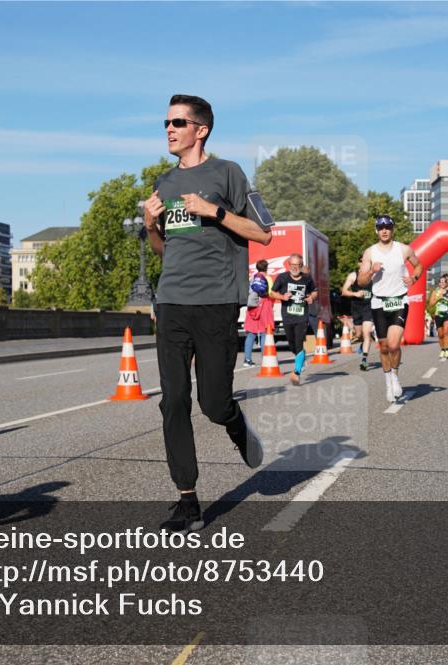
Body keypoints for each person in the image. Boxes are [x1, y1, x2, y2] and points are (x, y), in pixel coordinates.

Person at [142, 94, 273, 533]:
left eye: (178, 122)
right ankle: (187, 500)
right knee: (172, 400)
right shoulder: (162, 182)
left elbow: (264, 234)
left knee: (213, 403)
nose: (169, 129)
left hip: (216, 303)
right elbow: (165, 250)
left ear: (201, 129)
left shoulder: (228, 173)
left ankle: (236, 425)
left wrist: (214, 211)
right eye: (166, 122)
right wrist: (150, 225)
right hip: (173, 301)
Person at [357, 215, 423, 402]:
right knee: (384, 347)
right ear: (376, 230)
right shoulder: (370, 253)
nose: (384, 230)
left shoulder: (404, 249)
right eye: (380, 227)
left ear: (392, 229)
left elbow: (418, 266)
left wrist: (413, 279)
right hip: (379, 302)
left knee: (394, 345)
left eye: (387, 227)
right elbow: (361, 281)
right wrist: (371, 271)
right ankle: (388, 382)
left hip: (399, 300)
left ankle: (394, 376)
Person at [272, 253, 317, 386]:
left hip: (302, 315)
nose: (295, 267)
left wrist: (312, 298)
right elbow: (272, 292)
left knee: (299, 343)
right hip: (287, 316)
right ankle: (300, 358)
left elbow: (315, 291)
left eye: (298, 265)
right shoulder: (282, 278)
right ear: (289, 265)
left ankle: (296, 372)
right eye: (293, 265)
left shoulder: (307, 279)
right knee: (292, 344)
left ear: (301, 266)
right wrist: (282, 297)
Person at [341, 262, 375, 371]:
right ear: (359, 263)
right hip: (356, 308)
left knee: (367, 333)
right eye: (362, 262)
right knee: (359, 334)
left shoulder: (374, 276)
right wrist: (355, 294)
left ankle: (364, 360)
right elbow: (344, 291)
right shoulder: (353, 276)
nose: (364, 265)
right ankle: (362, 344)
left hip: (369, 307)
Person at [243, 259, 274, 367]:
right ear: (266, 267)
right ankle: (265, 359)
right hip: (265, 306)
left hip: (253, 307)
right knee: (265, 332)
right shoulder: (267, 278)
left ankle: (247, 359)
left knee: (251, 333)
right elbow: (271, 293)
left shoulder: (253, 278)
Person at [427, 274, 448, 360]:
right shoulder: (435, 292)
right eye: (441, 282)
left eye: (444, 281)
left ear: (446, 283)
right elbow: (431, 304)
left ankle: (447, 350)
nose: (442, 283)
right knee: (440, 334)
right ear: (439, 283)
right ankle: (442, 349)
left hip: (447, 314)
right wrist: (438, 299)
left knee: (446, 332)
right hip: (438, 314)